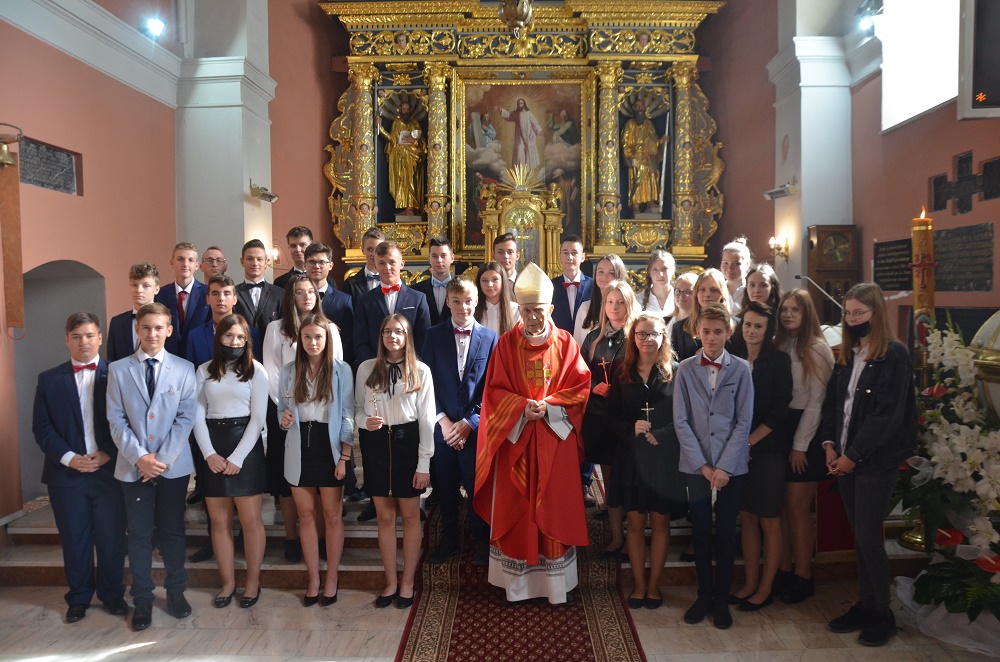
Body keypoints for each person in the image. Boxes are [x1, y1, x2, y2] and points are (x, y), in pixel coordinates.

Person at [474, 263, 592, 605]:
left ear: (550, 309)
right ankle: (517, 586)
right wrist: (522, 408)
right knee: (518, 507)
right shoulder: (506, 344)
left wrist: (550, 405)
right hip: (518, 442)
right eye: (526, 311)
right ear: (519, 310)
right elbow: (493, 393)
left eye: (538, 310)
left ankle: (555, 587)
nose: (532, 318)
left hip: (555, 441)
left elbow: (581, 388)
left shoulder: (566, 343)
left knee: (554, 508)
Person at [821, 283, 916, 647]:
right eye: (847, 313)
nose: (852, 319)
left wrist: (853, 456)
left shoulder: (894, 355)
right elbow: (835, 406)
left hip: (874, 460)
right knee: (859, 537)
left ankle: (883, 613)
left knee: (869, 537)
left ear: (876, 313)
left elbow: (886, 417)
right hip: (844, 456)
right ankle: (866, 604)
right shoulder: (848, 355)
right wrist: (830, 446)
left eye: (859, 313)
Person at [106, 302, 197, 631]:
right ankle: (142, 598)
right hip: (133, 467)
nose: (152, 333)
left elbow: (185, 418)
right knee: (140, 534)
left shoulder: (184, 369)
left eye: (159, 328)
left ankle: (176, 591)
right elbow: (116, 419)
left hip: (172, 467)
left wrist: (160, 461)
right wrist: (140, 458)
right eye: (146, 328)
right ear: (137, 330)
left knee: (172, 531)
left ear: (169, 330)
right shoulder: (119, 370)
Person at [32, 312, 127, 623]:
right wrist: (69, 457)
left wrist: (108, 453)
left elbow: (129, 421)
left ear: (99, 338)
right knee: (74, 539)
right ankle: (78, 597)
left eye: (89, 335)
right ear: (67, 340)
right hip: (66, 474)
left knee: (112, 538)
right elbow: (42, 428)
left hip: (109, 472)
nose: (83, 341)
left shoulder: (119, 374)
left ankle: (112, 595)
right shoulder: (49, 379)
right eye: (76, 336)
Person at [674, 302, 752, 630]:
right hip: (697, 465)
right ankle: (704, 594)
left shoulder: (742, 369)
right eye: (706, 331)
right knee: (701, 531)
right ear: (697, 331)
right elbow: (681, 420)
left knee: (726, 534)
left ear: (728, 333)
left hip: (731, 466)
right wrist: (703, 466)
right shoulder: (685, 369)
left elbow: (744, 421)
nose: (711, 337)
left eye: (718, 332)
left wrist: (724, 467)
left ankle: (722, 598)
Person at [355, 315, 435, 609]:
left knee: (411, 517)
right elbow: (356, 409)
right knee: (385, 517)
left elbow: (427, 419)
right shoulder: (366, 368)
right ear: (380, 336)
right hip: (376, 445)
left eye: (398, 331)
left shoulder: (421, 370)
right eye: (386, 331)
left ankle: (408, 582)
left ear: (407, 336)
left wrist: (424, 464)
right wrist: (364, 421)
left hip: (407, 444)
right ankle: (390, 581)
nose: (392, 336)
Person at [607, 313, 686, 610]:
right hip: (632, 460)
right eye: (641, 334)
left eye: (653, 334)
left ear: (663, 337)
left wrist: (662, 434)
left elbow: (685, 416)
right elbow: (609, 416)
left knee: (661, 523)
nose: (647, 339)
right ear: (633, 337)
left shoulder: (675, 371)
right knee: (636, 524)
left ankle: (654, 586)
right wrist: (632, 428)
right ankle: (639, 586)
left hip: (663, 459)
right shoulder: (622, 371)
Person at [263, 276, 343, 561]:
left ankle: (320, 539)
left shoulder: (329, 328)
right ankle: (291, 537)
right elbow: (272, 372)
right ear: (291, 296)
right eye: (300, 292)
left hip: (322, 416)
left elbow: (336, 370)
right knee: (288, 482)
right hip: (285, 413)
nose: (307, 296)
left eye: (311, 291)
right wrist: (287, 407)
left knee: (320, 481)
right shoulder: (276, 328)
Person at [278, 313, 356, 606]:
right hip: (300, 446)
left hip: (330, 446)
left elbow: (348, 415)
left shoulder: (341, 370)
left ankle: (331, 577)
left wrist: (344, 457)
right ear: (300, 339)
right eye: (307, 337)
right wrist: (283, 419)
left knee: (332, 516)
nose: (313, 342)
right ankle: (313, 578)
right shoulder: (289, 371)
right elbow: (281, 409)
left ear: (327, 339)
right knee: (306, 516)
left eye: (318, 337)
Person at [192, 314, 268, 609]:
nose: (234, 342)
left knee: (250, 522)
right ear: (218, 338)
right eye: (228, 336)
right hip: (213, 446)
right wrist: (209, 454)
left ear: (247, 341)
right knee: (219, 522)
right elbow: (197, 415)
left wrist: (237, 457)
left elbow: (258, 418)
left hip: (245, 448)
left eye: (240, 337)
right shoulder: (204, 370)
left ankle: (253, 582)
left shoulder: (256, 371)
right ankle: (227, 583)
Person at [421, 277, 498, 566]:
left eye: (467, 301)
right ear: (447, 302)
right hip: (442, 428)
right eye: (456, 301)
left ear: (476, 301)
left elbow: (491, 387)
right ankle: (450, 539)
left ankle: (482, 541)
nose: (462, 307)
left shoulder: (490, 338)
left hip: (474, 430)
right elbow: (426, 383)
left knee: (477, 485)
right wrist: (442, 421)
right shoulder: (433, 335)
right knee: (446, 486)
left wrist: (469, 422)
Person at [775, 289, 835, 604]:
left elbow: (817, 401)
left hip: (807, 433)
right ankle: (785, 570)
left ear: (807, 313)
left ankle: (803, 575)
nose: (788, 314)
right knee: (784, 506)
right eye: (784, 309)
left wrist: (799, 445)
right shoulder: (782, 343)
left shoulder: (816, 348)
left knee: (798, 507)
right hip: (784, 427)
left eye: (795, 310)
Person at [730, 302, 792, 612]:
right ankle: (750, 582)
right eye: (748, 324)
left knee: (768, 518)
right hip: (738, 449)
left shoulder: (779, 361)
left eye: (758, 326)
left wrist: (749, 442)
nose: (751, 330)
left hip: (767, 450)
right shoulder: (732, 357)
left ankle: (766, 588)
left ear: (768, 331)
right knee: (747, 518)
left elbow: (780, 409)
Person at [581, 280, 638, 556]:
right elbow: (579, 373)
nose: (615, 307)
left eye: (620, 302)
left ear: (629, 304)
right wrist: (594, 386)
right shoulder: (593, 338)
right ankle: (616, 535)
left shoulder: (636, 336)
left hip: (626, 417)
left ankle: (633, 531)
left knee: (628, 479)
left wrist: (618, 390)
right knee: (609, 479)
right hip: (599, 416)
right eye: (610, 302)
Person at [353, 240, 431, 366]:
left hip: (409, 366)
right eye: (381, 263)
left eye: (392, 262)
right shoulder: (364, 301)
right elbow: (360, 340)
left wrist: (409, 363)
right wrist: (376, 365)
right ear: (376, 265)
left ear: (402, 264)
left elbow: (424, 337)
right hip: (376, 367)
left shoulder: (418, 298)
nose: (387, 267)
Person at [155, 242, 210, 359]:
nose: (185, 264)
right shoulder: (159, 295)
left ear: (196, 265)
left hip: (199, 357)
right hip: (168, 358)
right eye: (180, 259)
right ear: (172, 263)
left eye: (190, 260)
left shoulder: (207, 293)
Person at [304, 242, 353, 367]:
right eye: (311, 262)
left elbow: (348, 339)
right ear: (305, 265)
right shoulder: (295, 297)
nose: (317, 266)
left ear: (330, 265)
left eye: (322, 262)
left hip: (333, 363)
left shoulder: (344, 300)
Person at [234, 239, 283, 360]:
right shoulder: (233, 293)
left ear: (266, 262)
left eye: (259, 259)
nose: (255, 263)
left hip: (273, 356)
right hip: (241, 355)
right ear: (242, 261)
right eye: (250, 259)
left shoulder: (280, 294)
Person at [672, 268, 730, 362]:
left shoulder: (736, 325)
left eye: (713, 290)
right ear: (696, 293)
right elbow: (673, 362)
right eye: (702, 289)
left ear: (722, 294)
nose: (707, 294)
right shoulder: (679, 328)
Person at [574, 253, 632, 346]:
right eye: (601, 272)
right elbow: (577, 344)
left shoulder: (632, 306)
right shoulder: (585, 307)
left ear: (619, 275)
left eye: (611, 273)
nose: (605, 277)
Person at [108, 263, 161, 362]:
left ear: (157, 289)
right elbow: (112, 361)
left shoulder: (170, 321)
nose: (138, 290)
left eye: (146, 286)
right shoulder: (117, 322)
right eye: (134, 285)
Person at [379, 101, 425, 215]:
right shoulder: (396, 123)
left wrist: (414, 141)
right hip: (400, 158)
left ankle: (411, 208)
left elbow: (423, 143)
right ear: (400, 110)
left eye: (407, 109)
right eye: (404, 109)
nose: (406, 112)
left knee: (411, 181)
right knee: (401, 182)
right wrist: (381, 129)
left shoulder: (415, 124)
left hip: (412, 158)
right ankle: (406, 207)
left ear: (411, 110)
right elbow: (393, 140)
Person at [621, 100, 665, 213]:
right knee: (637, 178)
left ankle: (650, 202)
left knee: (653, 174)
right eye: (637, 106)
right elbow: (625, 142)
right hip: (635, 155)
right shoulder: (630, 124)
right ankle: (636, 204)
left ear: (645, 109)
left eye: (641, 106)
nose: (640, 108)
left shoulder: (649, 124)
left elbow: (653, 139)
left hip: (647, 155)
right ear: (633, 109)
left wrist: (660, 141)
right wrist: (627, 156)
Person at [550, 234, 592, 336]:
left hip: (587, 342)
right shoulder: (550, 286)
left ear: (583, 257)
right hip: (559, 341)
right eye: (565, 253)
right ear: (560, 257)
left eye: (574, 253)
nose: (569, 257)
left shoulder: (593, 286)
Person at [275, 226, 338, 290]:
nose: (298, 250)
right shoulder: (280, 282)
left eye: (302, 245)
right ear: (289, 248)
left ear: (311, 246)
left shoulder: (329, 282)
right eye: (293, 246)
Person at [412, 236, 454, 326]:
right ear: (429, 259)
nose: (439, 260)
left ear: (452, 258)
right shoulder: (416, 290)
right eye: (434, 256)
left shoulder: (461, 289)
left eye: (443, 256)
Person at [474, 261, 520, 336]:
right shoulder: (473, 309)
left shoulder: (515, 310)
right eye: (485, 280)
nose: (489, 284)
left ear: (503, 281)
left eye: (494, 279)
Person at [499, 98, 543, 169]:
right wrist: (502, 111)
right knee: (520, 154)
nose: (520, 105)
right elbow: (509, 115)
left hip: (528, 138)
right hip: (519, 139)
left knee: (528, 156)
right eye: (518, 104)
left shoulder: (529, 114)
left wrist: (539, 131)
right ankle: (520, 172)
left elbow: (535, 123)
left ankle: (528, 172)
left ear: (524, 104)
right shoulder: (516, 113)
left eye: (521, 103)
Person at [344, 227, 385, 303]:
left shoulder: (393, 281)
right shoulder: (350, 284)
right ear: (363, 250)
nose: (374, 254)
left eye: (378, 249)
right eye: (370, 249)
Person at [636, 249, 676, 317]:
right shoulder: (638, 300)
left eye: (664, 269)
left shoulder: (680, 298)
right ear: (649, 272)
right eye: (655, 270)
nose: (660, 274)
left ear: (673, 271)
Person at [720, 237, 752, 317]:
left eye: (736, 263)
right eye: (725, 263)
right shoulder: (717, 288)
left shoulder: (752, 290)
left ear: (747, 264)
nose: (729, 268)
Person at [667, 271, 697, 338]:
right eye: (678, 291)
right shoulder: (665, 321)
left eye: (688, 292)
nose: (681, 295)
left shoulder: (700, 325)